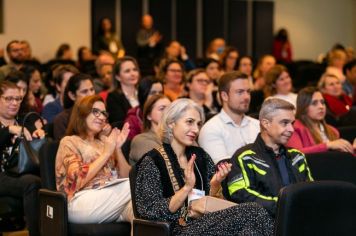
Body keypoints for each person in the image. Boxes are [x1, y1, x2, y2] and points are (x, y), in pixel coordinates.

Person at [134, 98, 274, 235]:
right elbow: (149, 211)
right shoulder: (153, 161)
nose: (195, 129)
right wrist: (187, 188)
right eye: (189, 122)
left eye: (199, 124)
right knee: (253, 212)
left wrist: (215, 184)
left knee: (253, 222)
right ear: (171, 123)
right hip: (177, 229)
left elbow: (210, 204)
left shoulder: (201, 156)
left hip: (204, 224)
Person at [226, 98, 313, 217]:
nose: (291, 129)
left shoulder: (297, 156)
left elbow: (311, 190)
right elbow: (239, 194)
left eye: (292, 123)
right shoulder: (244, 157)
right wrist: (283, 207)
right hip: (264, 225)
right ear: (266, 123)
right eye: (284, 123)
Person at [55, 95, 133, 225]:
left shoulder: (104, 143)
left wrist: (117, 149)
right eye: (96, 111)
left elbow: (125, 176)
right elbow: (76, 180)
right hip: (79, 200)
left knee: (141, 213)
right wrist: (107, 152)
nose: (102, 117)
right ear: (82, 113)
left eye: (103, 113)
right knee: (140, 182)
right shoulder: (69, 142)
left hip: (109, 199)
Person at [0, 81, 44, 236]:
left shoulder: (26, 121)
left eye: (18, 99)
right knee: (32, 183)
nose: (14, 103)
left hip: (21, 172)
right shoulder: (14, 126)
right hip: (2, 175)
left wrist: (39, 136)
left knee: (42, 180)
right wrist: (9, 130)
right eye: (9, 98)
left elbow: (37, 150)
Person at [198, 71, 260, 164]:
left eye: (248, 91)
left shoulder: (258, 125)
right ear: (224, 96)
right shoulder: (211, 129)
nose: (247, 97)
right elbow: (224, 171)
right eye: (240, 92)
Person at [287, 87, 354, 154]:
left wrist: (352, 148)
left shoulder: (332, 130)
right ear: (304, 107)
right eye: (314, 103)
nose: (321, 106)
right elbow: (295, 154)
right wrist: (328, 145)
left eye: (322, 102)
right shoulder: (294, 128)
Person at [129, 94, 171, 165]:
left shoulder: (175, 137)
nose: (168, 112)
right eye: (162, 108)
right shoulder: (141, 140)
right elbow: (163, 166)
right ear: (149, 115)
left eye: (170, 109)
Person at [53, 73, 95, 141]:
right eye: (84, 91)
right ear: (72, 95)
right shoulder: (62, 120)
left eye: (92, 89)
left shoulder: (99, 114)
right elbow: (64, 148)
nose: (90, 94)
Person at [107, 56, 140, 127]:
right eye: (127, 71)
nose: (133, 74)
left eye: (135, 69)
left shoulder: (144, 92)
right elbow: (119, 124)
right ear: (117, 77)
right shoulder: (113, 98)